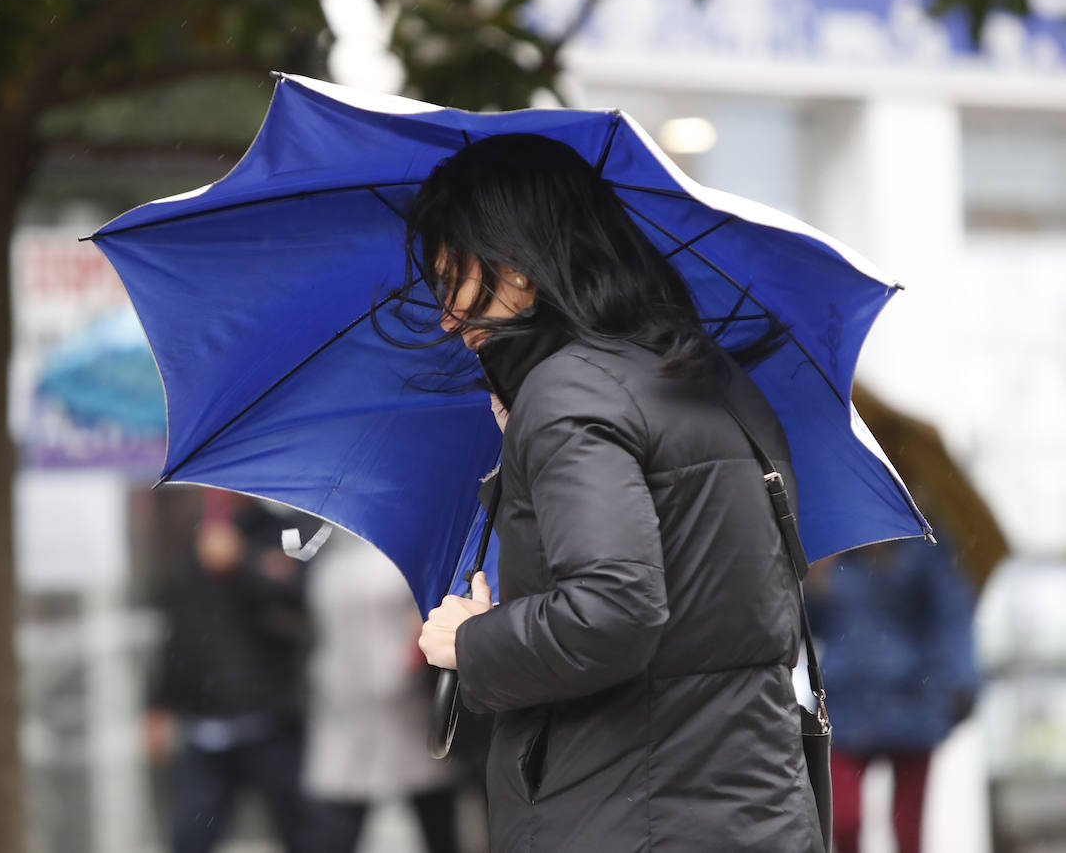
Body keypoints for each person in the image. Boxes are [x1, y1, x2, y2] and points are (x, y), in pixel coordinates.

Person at [398, 134, 824, 851]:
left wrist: (471, 641)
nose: (446, 317)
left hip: (627, 814)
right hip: (748, 809)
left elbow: (615, 612)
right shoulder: (703, 377)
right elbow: (689, 611)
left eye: (453, 280)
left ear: (518, 273)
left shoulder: (570, 393)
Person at [143, 490, 313, 853]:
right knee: (190, 835)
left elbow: (301, 600)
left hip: (271, 719)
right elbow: (179, 629)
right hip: (204, 724)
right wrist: (159, 703)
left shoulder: (283, 533)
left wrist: (243, 561)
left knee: (300, 831)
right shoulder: (191, 534)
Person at [806, 535, 979, 853]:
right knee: (843, 820)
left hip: (911, 701)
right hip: (846, 706)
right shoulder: (833, 555)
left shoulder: (928, 551)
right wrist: (810, 587)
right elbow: (809, 627)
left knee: (908, 830)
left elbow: (952, 617)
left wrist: (961, 682)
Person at [301, 530, 463, 853]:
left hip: (404, 701)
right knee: (338, 821)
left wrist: (410, 661)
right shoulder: (328, 555)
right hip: (342, 703)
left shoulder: (410, 553)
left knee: (433, 813)